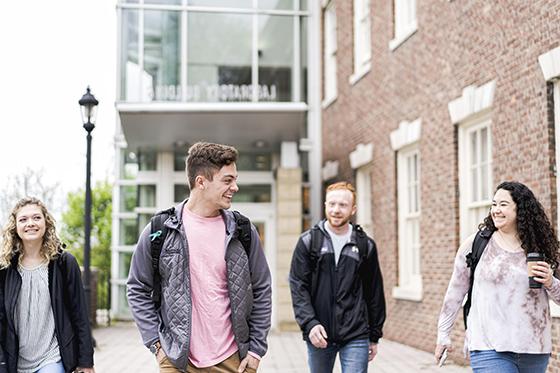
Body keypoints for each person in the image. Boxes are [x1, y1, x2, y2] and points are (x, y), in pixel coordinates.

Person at [127, 142, 272, 373]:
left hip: (233, 360)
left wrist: (255, 351)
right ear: (201, 182)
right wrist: (157, 345)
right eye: (227, 180)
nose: (235, 187)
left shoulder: (242, 230)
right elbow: (137, 288)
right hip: (177, 361)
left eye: (235, 179)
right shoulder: (160, 229)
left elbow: (262, 288)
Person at [435, 181, 560, 373]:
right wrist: (443, 333)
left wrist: (551, 282)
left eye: (503, 204)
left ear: (521, 209)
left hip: (534, 348)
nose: (496, 210)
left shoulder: (540, 248)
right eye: (494, 204)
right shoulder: (477, 244)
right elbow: (455, 293)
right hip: (488, 347)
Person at [289, 181, 386, 373]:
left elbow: (374, 292)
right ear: (325, 205)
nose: (336, 210)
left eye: (343, 205)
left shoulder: (365, 245)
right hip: (319, 332)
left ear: (353, 209)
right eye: (332, 204)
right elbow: (298, 287)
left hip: (356, 334)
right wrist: (310, 323)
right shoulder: (309, 242)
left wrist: (374, 336)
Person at [0, 197, 95, 373]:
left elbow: (80, 314)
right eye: (23, 219)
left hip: (52, 357)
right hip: (14, 360)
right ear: (15, 226)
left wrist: (86, 361)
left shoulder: (64, 263)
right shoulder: (5, 268)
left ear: (46, 222)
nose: (30, 223)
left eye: (36, 217)